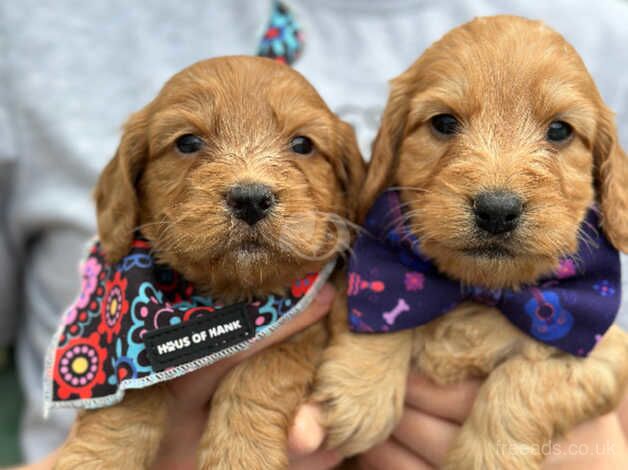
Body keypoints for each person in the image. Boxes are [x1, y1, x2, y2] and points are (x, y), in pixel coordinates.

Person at [2, 0, 628, 467]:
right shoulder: (35, 29)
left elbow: (610, 356)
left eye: (559, 133)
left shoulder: (610, 33)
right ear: (379, 162)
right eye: (442, 124)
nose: (498, 186)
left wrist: (571, 441)